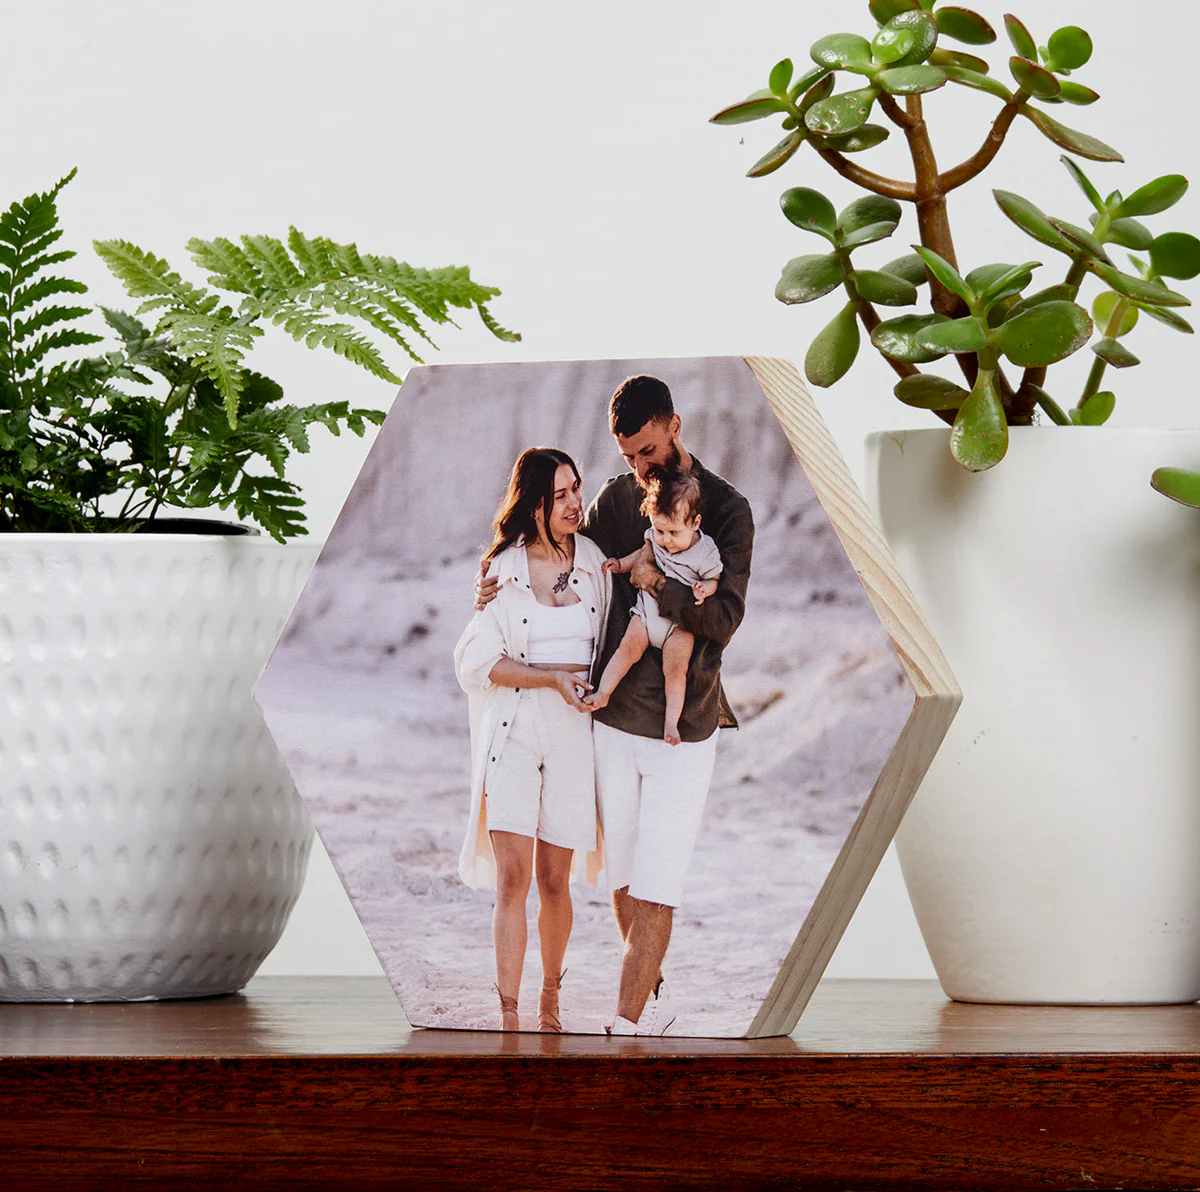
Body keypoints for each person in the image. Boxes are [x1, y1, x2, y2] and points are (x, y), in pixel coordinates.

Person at [475, 376, 754, 1036]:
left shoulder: (727, 509)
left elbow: (727, 618)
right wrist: (498, 582)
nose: (639, 468)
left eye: (649, 452)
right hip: (609, 722)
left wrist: (662, 587)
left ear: (676, 427)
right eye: (628, 455)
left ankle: (625, 1028)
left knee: (658, 883)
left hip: (683, 726)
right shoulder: (617, 500)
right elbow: (559, 553)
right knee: (625, 880)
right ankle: (645, 991)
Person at [454, 447, 611, 1032]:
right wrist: (551, 679)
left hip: (575, 736)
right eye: (560, 495)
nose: (574, 503)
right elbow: (474, 660)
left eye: (576, 489)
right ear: (535, 503)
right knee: (513, 878)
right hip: (515, 730)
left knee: (554, 879)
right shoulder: (504, 567)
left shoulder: (596, 563)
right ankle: (510, 1012)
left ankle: (551, 998)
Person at [586, 467, 723, 746]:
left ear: (695, 523)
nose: (665, 540)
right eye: (660, 530)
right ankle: (603, 693)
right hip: (647, 612)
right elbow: (641, 555)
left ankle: (671, 723)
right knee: (626, 650)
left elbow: (715, 578)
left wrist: (705, 588)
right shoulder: (656, 538)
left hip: (679, 625)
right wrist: (620, 564)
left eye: (673, 532)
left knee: (675, 671)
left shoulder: (705, 551)